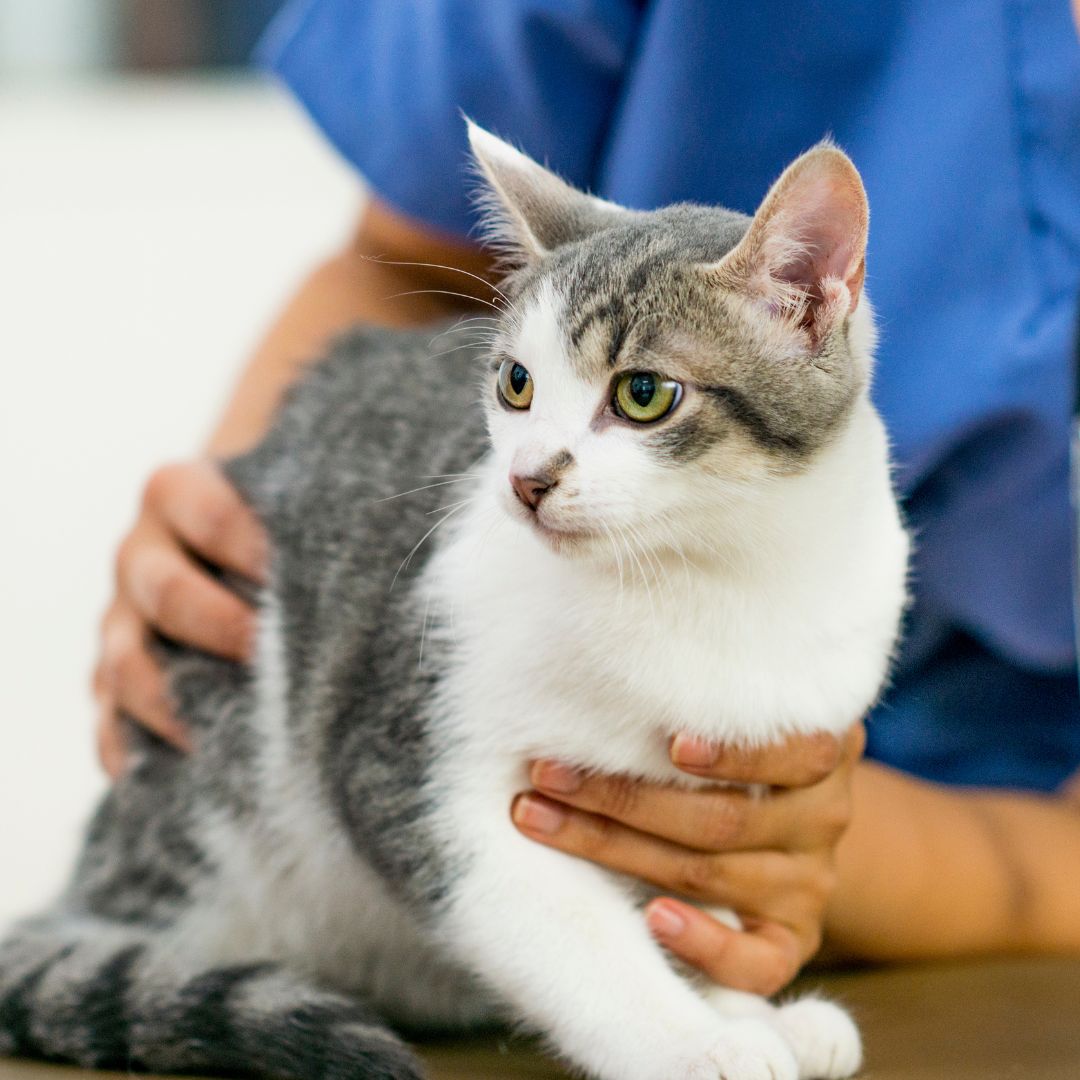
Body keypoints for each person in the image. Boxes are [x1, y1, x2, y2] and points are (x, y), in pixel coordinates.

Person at [93, 1, 1080, 997]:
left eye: (645, 395)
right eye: (515, 392)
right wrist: (229, 553)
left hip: (969, 911)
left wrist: (803, 843)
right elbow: (405, 274)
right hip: (483, 832)